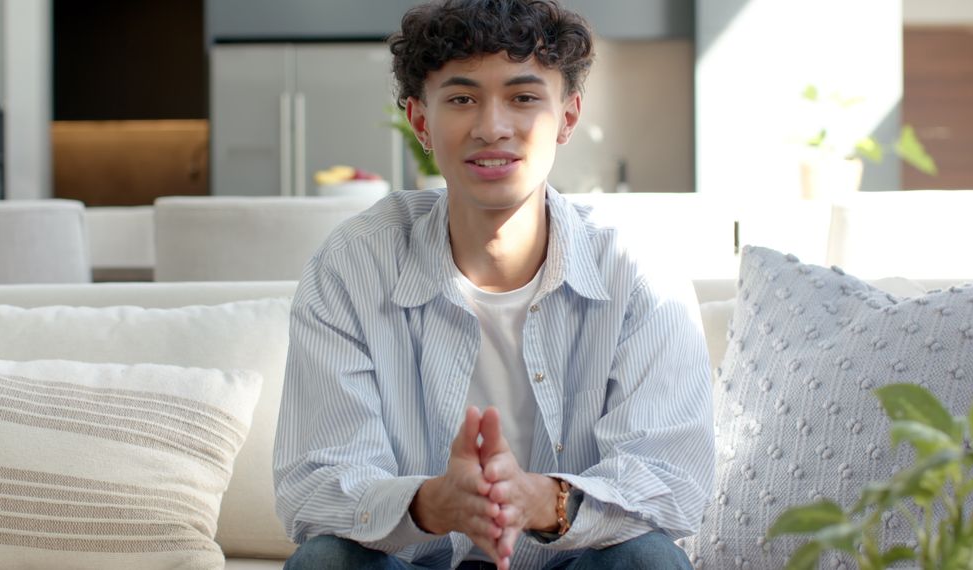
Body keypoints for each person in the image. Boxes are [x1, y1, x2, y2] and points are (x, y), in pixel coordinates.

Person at [273, 0, 715, 568]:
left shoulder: (638, 269)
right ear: (421, 121)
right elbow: (314, 484)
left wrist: (540, 500)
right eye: (461, 99)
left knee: (650, 559)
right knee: (324, 561)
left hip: (571, 561)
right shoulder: (352, 264)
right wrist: (435, 503)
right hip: (416, 562)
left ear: (568, 117)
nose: (492, 127)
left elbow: (673, 484)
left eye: (524, 97)